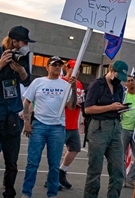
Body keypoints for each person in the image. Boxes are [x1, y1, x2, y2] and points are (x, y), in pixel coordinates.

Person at [0, 26, 33, 198]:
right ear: (14, 42)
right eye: (23, 43)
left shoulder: (23, 57)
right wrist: (1, 63)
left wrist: (22, 71)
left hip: (12, 113)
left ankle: (9, 190)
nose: (25, 46)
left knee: (12, 159)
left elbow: (27, 81)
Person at [21, 56, 77, 198]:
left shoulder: (65, 85)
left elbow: (71, 106)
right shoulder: (38, 82)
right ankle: (26, 193)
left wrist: (74, 88)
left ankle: (52, 194)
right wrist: (27, 122)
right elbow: (27, 102)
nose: (57, 68)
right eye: (54, 65)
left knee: (54, 165)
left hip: (57, 128)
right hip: (39, 125)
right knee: (32, 162)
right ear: (47, 67)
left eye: (59, 65)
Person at [83, 60, 129, 198]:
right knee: (95, 169)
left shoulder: (119, 87)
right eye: (118, 75)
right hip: (99, 127)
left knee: (118, 169)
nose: (119, 80)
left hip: (115, 127)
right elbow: (88, 108)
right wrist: (110, 107)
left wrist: (121, 108)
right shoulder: (97, 84)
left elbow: (116, 105)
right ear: (111, 70)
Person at [57, 60, 84, 190]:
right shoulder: (61, 81)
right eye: (74, 68)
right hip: (62, 123)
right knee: (56, 152)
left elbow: (80, 98)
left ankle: (61, 172)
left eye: (79, 69)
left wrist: (80, 102)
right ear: (67, 68)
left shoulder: (79, 84)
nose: (77, 71)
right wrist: (72, 100)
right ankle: (52, 178)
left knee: (75, 148)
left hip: (74, 124)